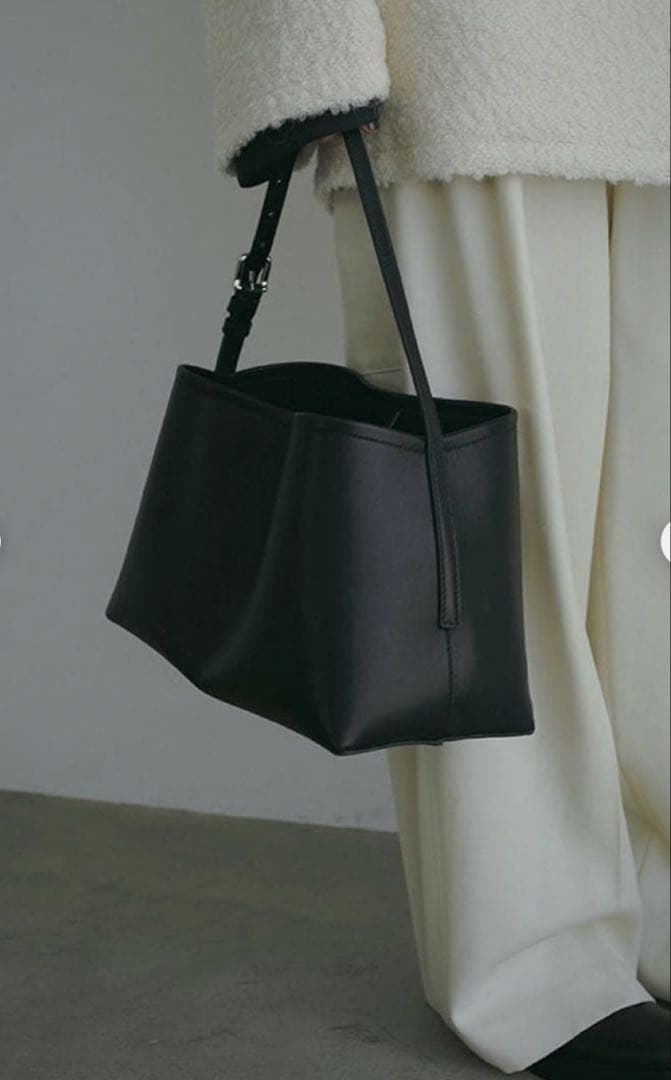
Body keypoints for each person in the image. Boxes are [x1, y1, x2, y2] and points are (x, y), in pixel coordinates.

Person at [202, 2, 671, 1076]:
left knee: (649, 549)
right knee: (485, 556)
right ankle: (535, 966)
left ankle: (651, 910)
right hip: (466, 63)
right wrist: (303, 52)